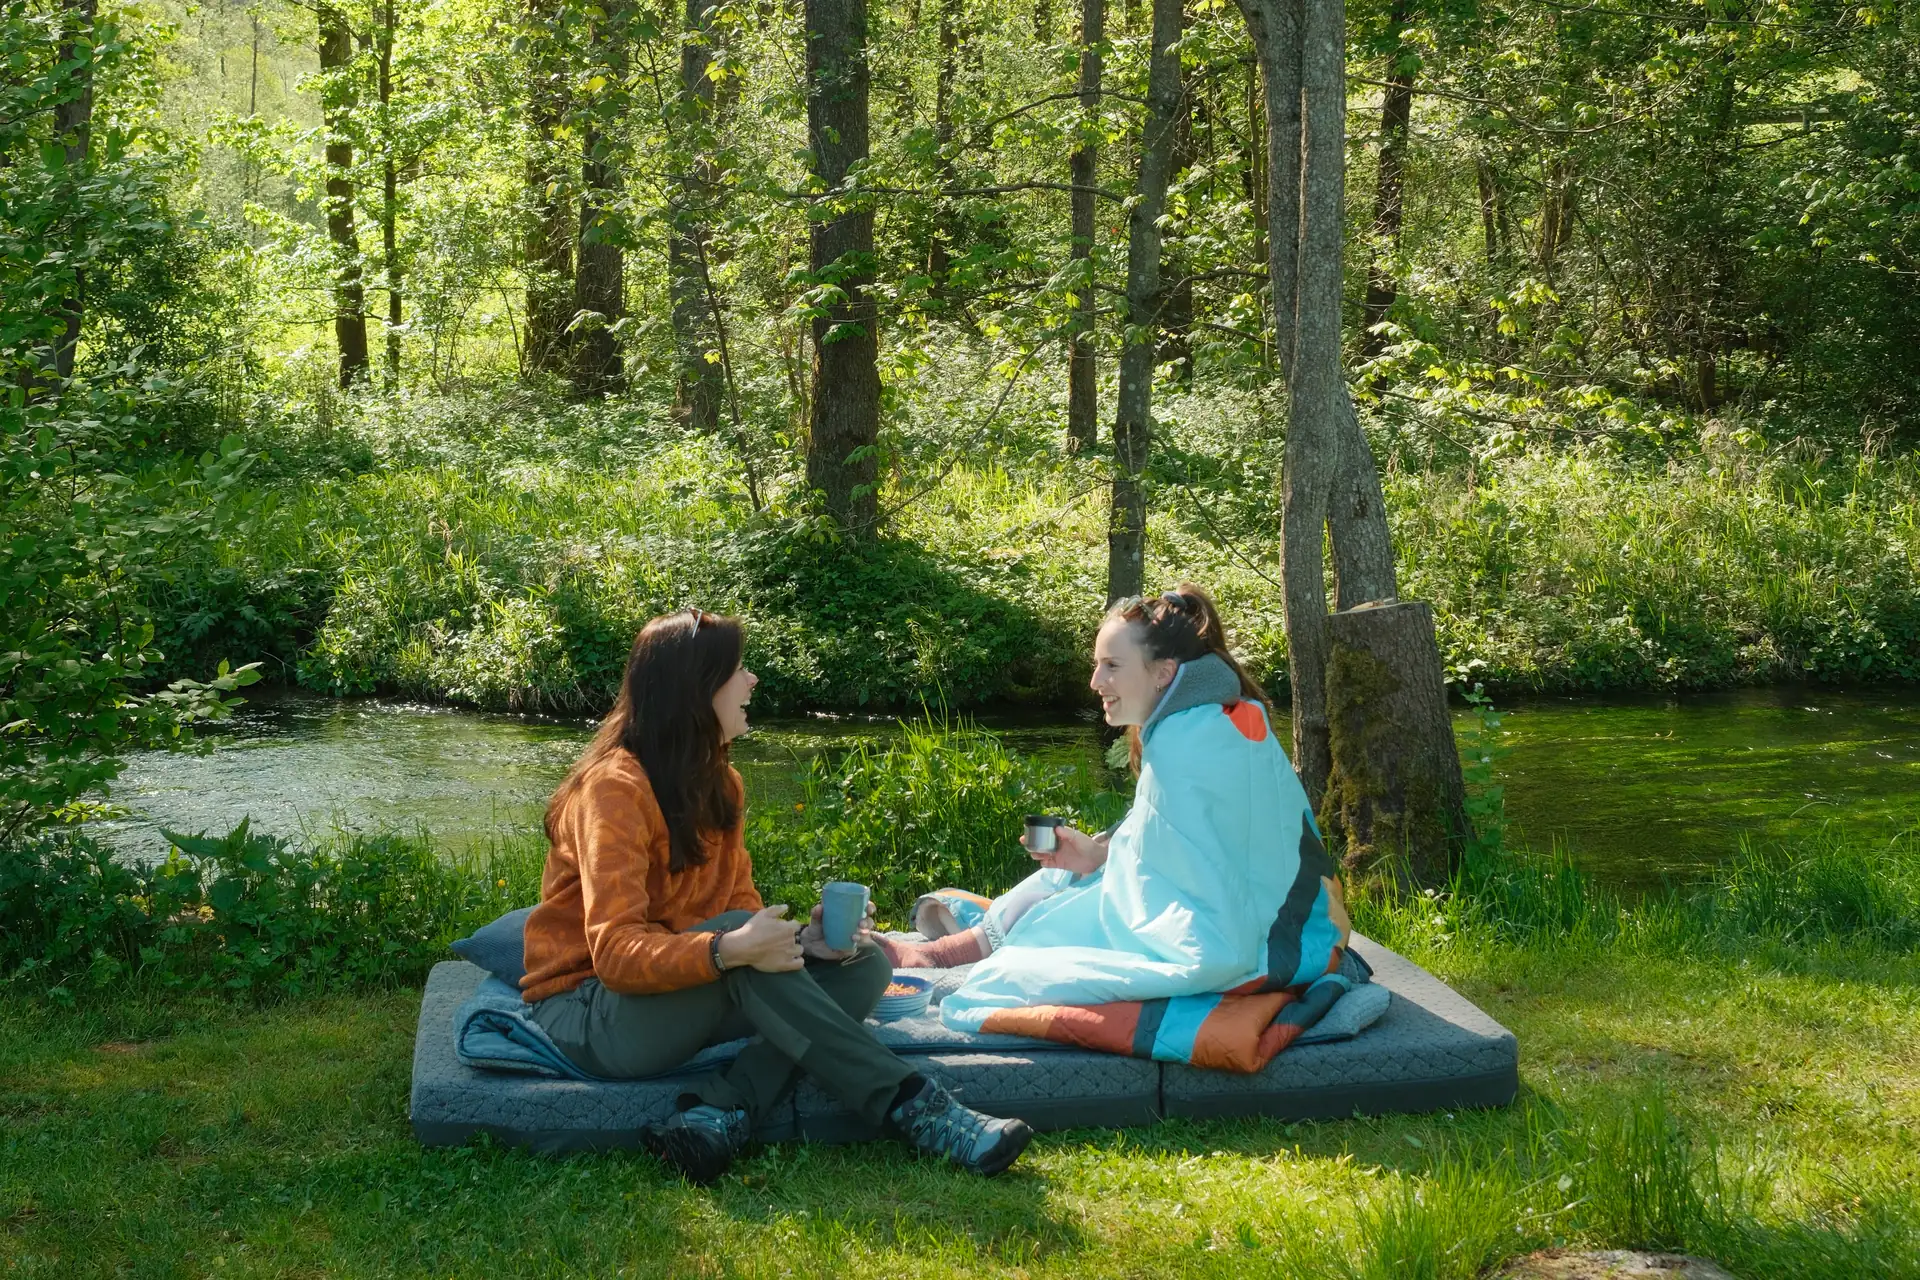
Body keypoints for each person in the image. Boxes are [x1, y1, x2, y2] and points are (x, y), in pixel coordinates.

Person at [520, 608, 1033, 1182]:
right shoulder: (613, 790)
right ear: (697, 688)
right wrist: (730, 949)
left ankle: (718, 1111)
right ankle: (915, 1107)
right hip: (592, 1011)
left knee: (861, 964)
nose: (753, 681)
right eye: (739, 669)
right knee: (742, 941)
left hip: (688, 990)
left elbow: (740, 910)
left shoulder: (721, 782)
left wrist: (808, 945)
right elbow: (614, 956)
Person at [878, 583, 1350, 1033]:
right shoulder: (1214, 716)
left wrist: (1104, 861)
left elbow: (1188, 865)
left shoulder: (1189, 742)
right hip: (1286, 910)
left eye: (1111, 666)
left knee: (1060, 914)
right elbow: (1178, 844)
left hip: (1250, 931)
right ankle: (942, 952)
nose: (1094, 681)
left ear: (1164, 672)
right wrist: (1100, 854)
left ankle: (941, 955)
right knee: (1067, 877)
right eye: (1097, 665)